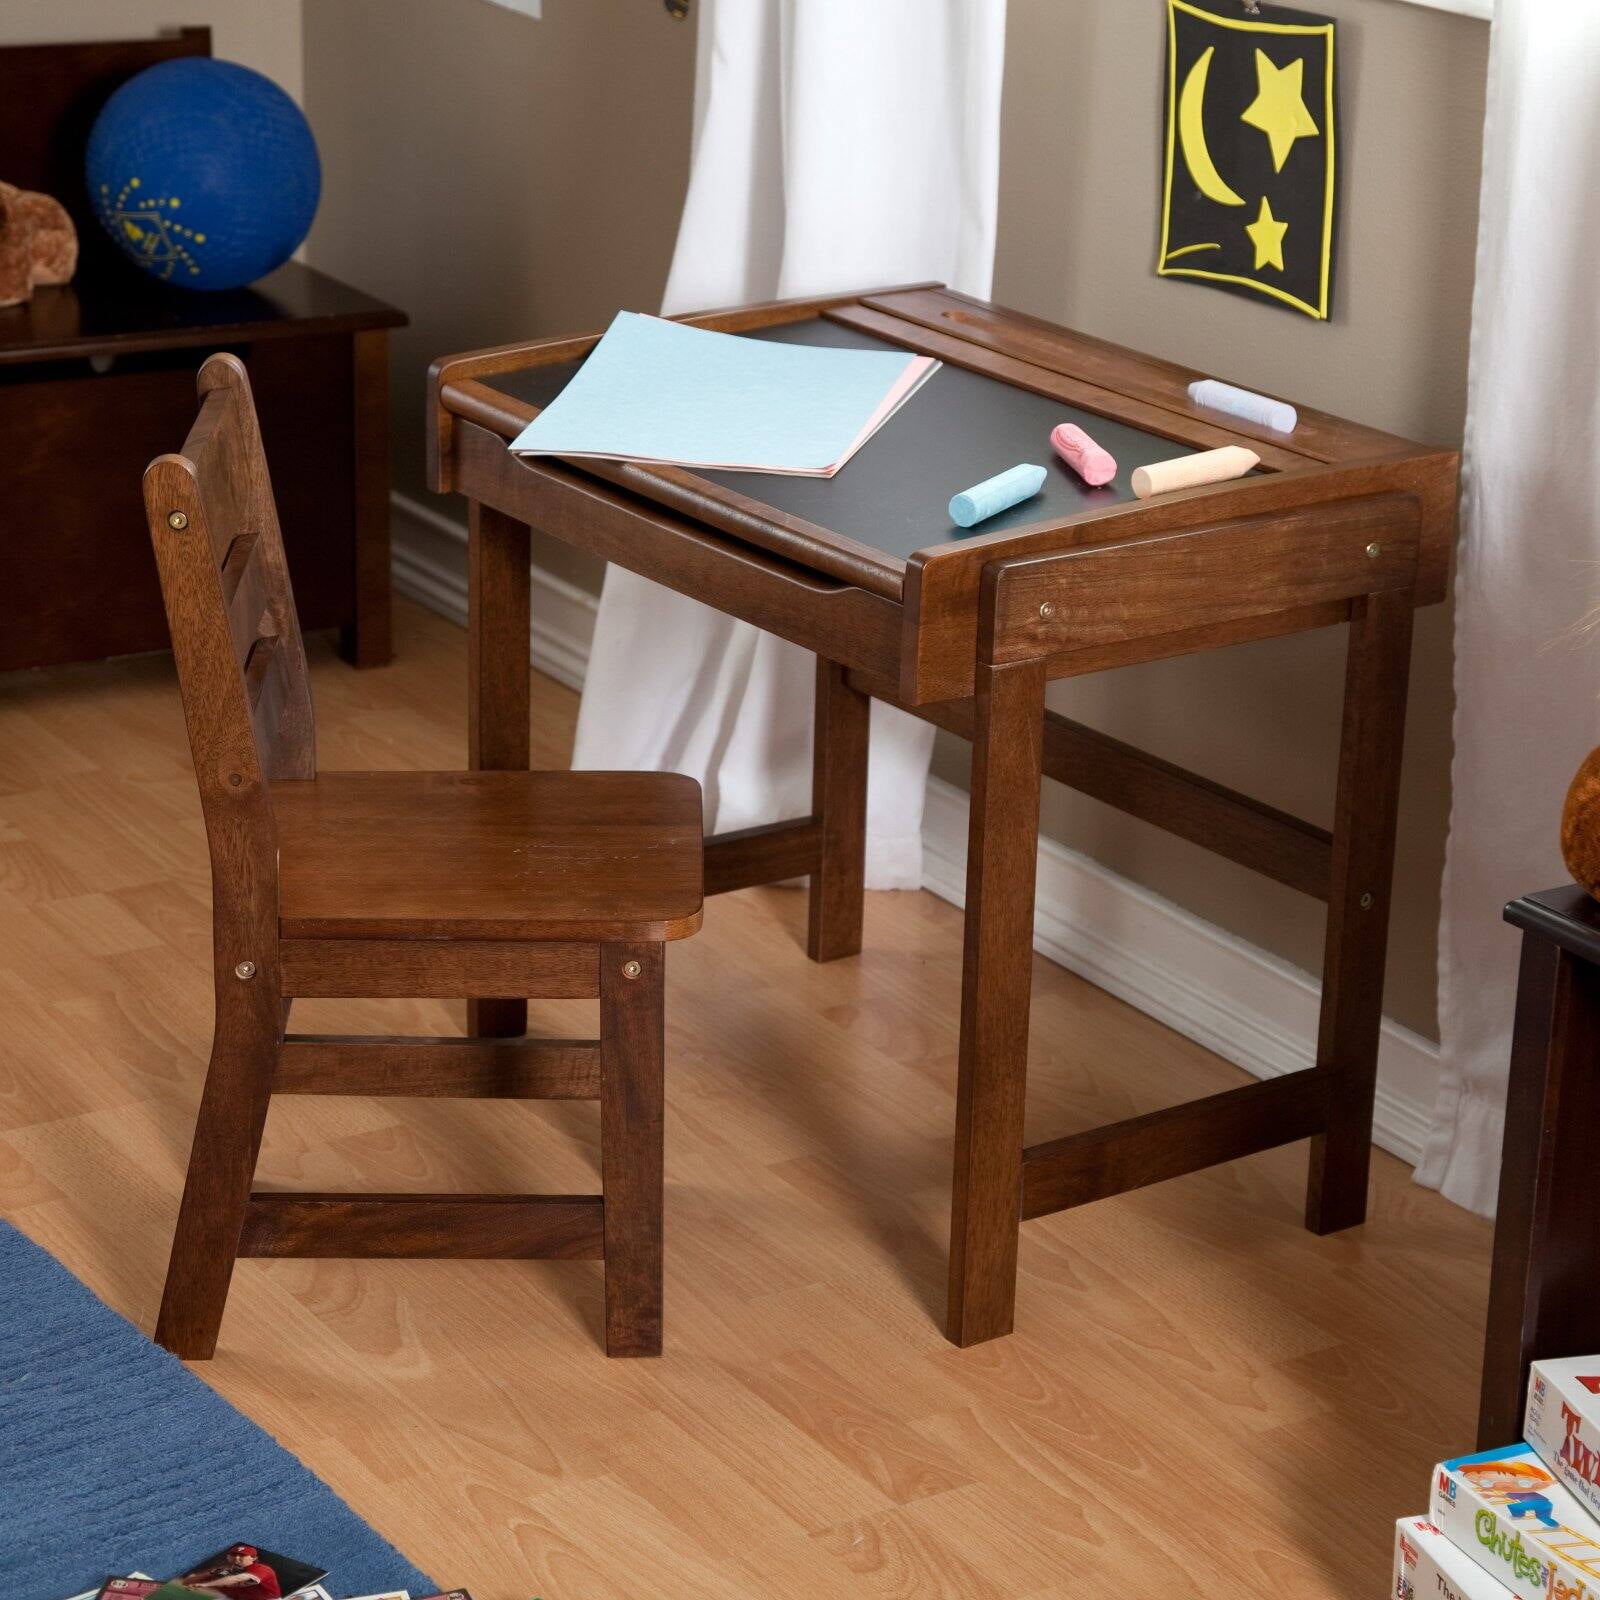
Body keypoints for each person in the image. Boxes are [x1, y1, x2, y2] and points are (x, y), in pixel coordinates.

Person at [179, 1545, 283, 1599]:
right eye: (233, 1554)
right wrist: (208, 1574)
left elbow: (238, 1578)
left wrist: (206, 1584)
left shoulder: (261, 1569)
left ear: (254, 1558)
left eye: (242, 1555)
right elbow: (186, 1582)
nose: (237, 1558)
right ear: (228, 1557)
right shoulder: (223, 1571)